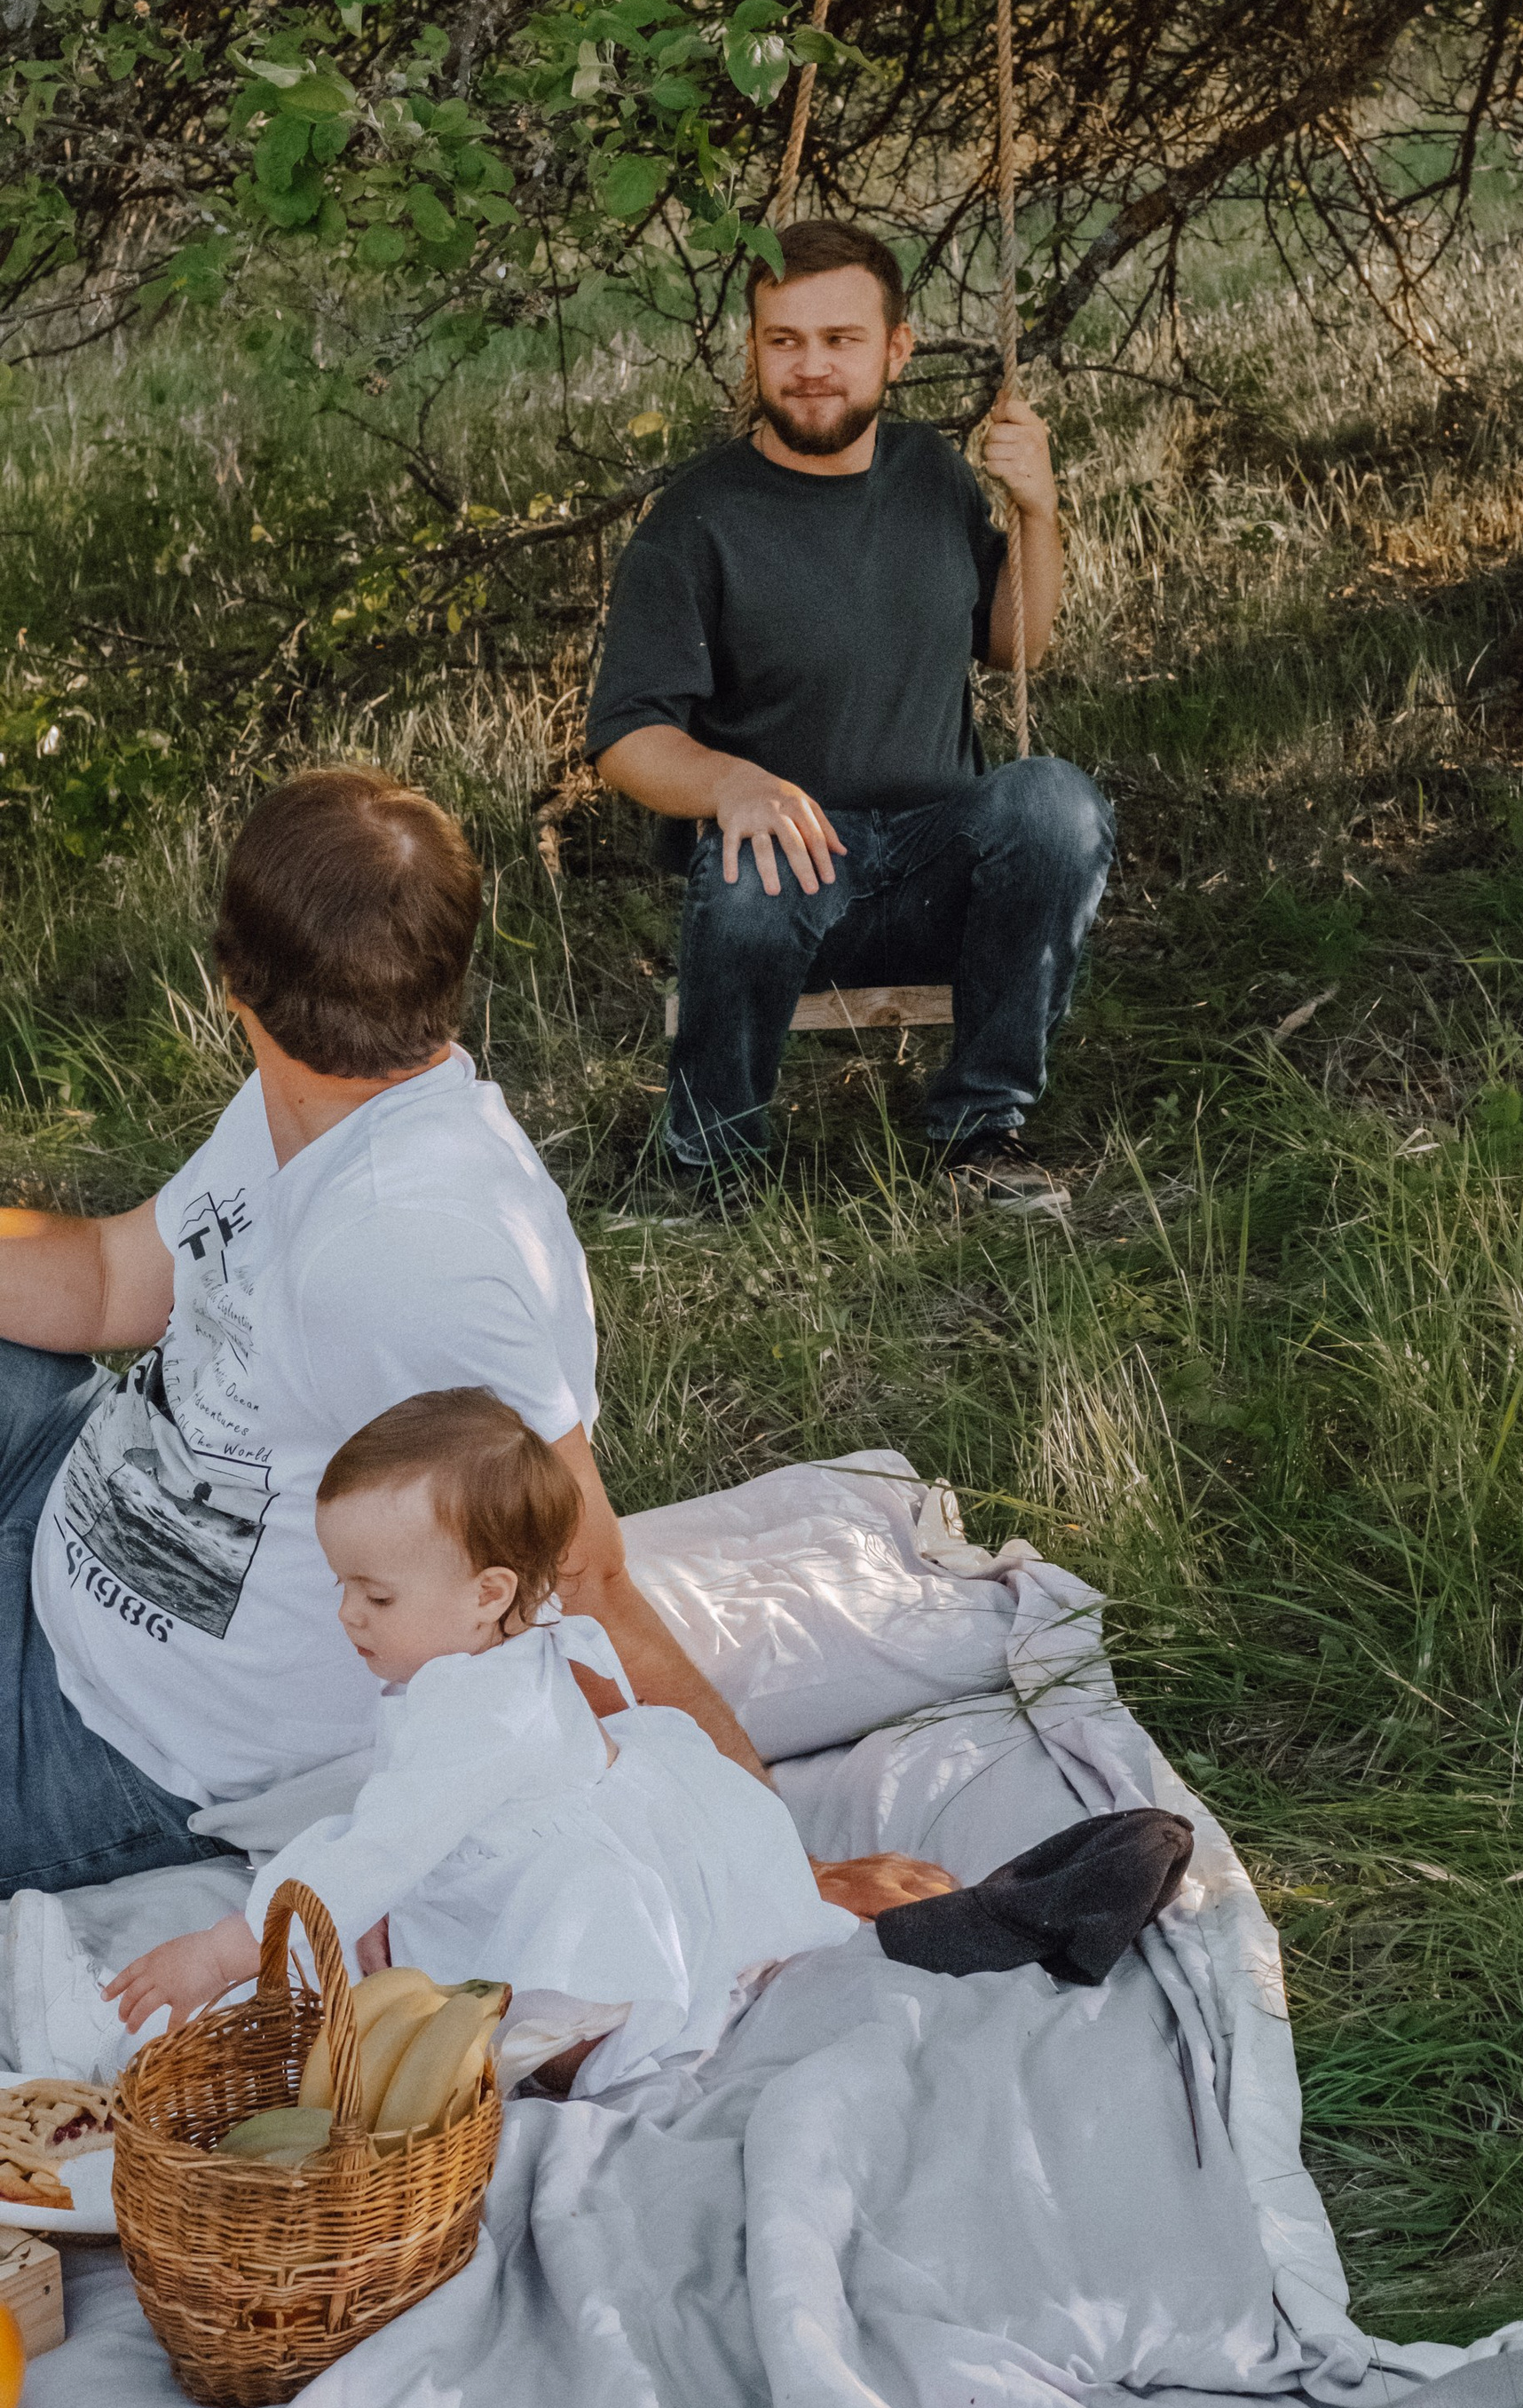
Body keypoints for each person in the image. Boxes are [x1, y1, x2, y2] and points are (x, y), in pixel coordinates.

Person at [0, 767, 943, 1912]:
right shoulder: (296, 1106)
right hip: (63, 1489)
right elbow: (107, 1281)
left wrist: (783, 1872)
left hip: (116, 1727)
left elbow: (577, 1580)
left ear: (231, 980)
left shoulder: (417, 1254)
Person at [104, 1390, 863, 2088]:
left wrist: (234, 1945)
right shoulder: (493, 1643)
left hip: (569, 1886)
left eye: (376, 1595)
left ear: (488, 1593)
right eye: (342, 1585)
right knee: (409, 1938)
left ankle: (602, 2023)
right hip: (514, 1839)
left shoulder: (482, 1714)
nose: (349, 1614)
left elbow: (384, 1846)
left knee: (544, 2029)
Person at [587, 220, 1115, 1211]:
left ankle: (981, 1136)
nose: (812, 368)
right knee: (755, 862)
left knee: (1056, 802)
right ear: (753, 350)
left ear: (896, 348)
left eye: (841, 340)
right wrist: (731, 783)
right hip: (783, 889)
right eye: (785, 341)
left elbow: (1016, 647)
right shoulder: (697, 519)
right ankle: (711, 1166)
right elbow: (627, 736)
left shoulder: (932, 477)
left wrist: (1037, 513)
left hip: (935, 875)